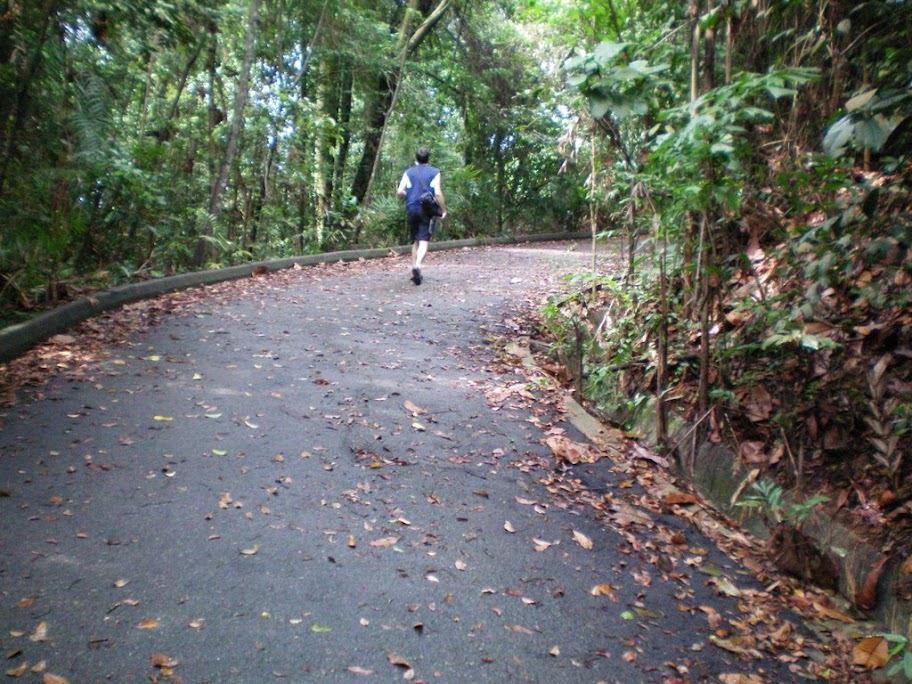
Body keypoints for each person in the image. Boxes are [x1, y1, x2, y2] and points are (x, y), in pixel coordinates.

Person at [397, 148, 446, 285]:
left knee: (415, 241)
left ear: (416, 158)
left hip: (411, 208)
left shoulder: (408, 172)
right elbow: (437, 193)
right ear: (428, 159)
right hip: (426, 209)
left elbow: (400, 191)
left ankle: (414, 268)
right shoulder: (435, 172)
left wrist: (408, 195)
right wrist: (443, 210)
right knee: (424, 240)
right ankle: (418, 265)